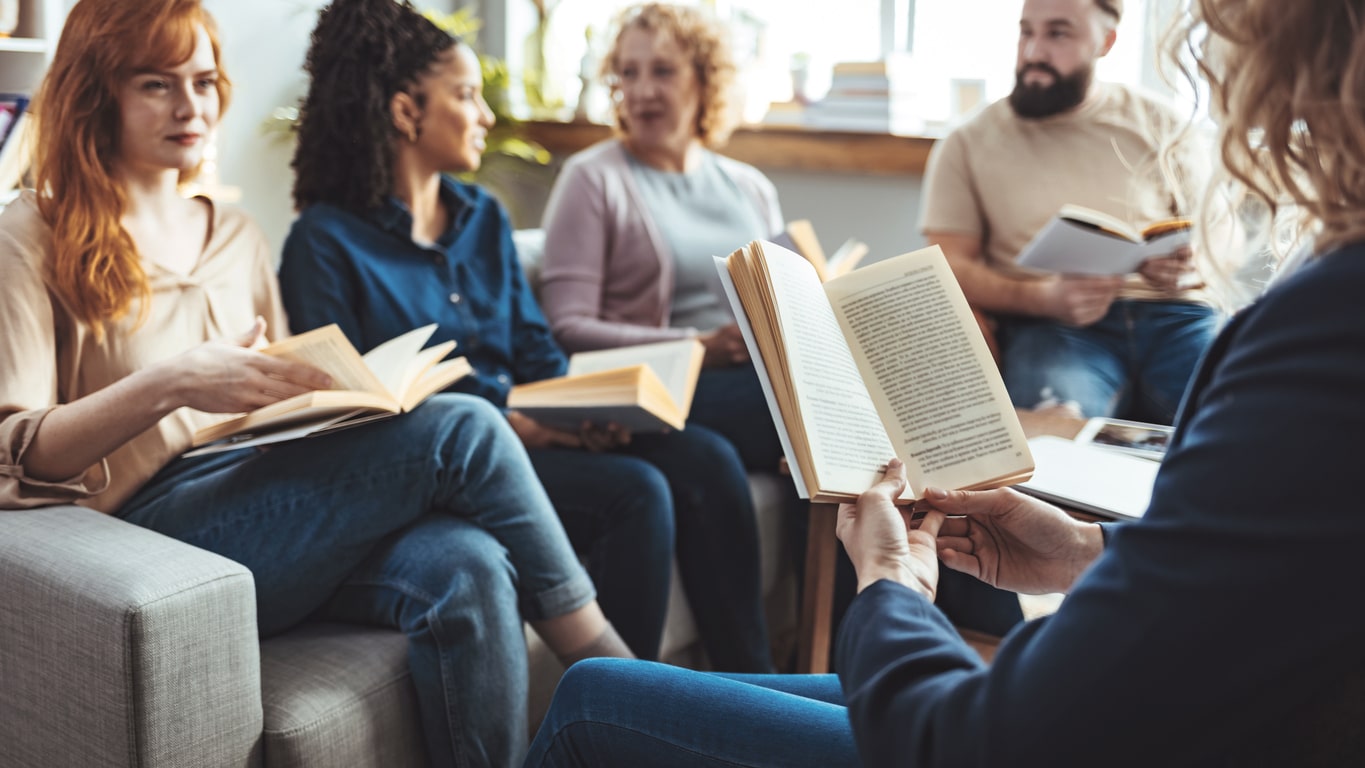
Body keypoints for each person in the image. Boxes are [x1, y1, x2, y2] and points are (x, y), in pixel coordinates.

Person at [520, 0, 1365, 764]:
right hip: (1156, 707)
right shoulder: (1324, 327)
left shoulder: (1318, 337)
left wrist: (890, 586)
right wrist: (1084, 553)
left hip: (1047, 734)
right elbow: (1244, 561)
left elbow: (966, 739)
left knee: (593, 697)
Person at [0, 1, 634, 767]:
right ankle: (620, 683)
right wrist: (173, 382)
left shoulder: (236, 235)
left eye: (203, 80)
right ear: (98, 92)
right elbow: (15, 453)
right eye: (155, 84)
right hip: (148, 530)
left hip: (254, 490)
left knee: (465, 563)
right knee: (462, 425)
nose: (191, 104)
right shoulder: (32, 234)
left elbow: (286, 395)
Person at [277, 0, 774, 672]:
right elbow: (357, 403)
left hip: (535, 429)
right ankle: (620, 715)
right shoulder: (323, 243)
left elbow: (538, 347)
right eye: (465, 95)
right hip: (454, 460)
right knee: (635, 492)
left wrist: (583, 405)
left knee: (694, 461)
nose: (484, 114)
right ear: (404, 112)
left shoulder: (481, 216)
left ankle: (703, 694)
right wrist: (527, 419)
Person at [921, 0, 1223, 427]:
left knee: (1238, 423)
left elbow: (1219, 237)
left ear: (1106, 42)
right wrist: (1042, 298)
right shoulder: (967, 142)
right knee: (1054, 441)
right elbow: (946, 265)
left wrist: (1193, 266)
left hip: (1178, 317)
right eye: (1026, 32)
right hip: (1051, 325)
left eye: (1057, 34)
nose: (1033, 52)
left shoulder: (1163, 124)